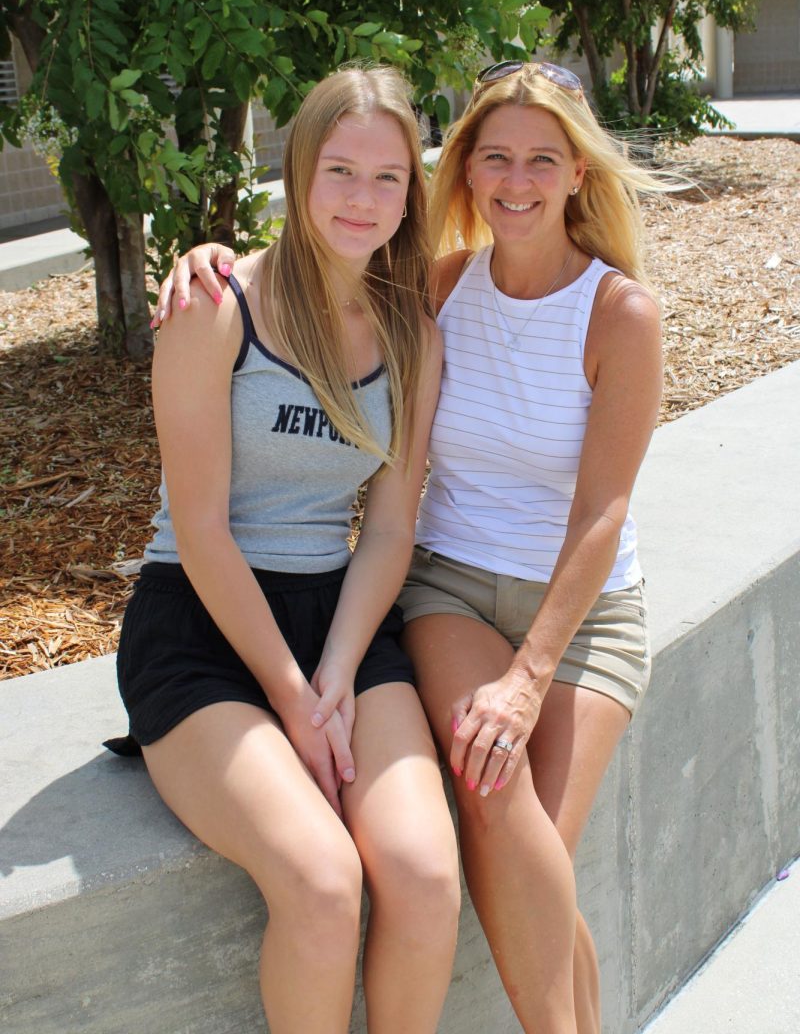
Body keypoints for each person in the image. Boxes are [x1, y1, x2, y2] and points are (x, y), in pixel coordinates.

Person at [158, 59, 667, 1034]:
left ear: (577, 174)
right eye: (494, 157)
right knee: (497, 808)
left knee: (528, 863)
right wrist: (208, 253)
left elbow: (601, 516)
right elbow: (308, 271)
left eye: (541, 159)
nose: (515, 180)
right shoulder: (434, 290)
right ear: (466, 170)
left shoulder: (617, 315)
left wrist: (529, 677)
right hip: (449, 594)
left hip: (582, 610)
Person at [109, 65, 460, 1034]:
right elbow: (204, 525)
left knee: (426, 876)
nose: (362, 199)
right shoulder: (218, 303)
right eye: (339, 170)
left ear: (411, 192)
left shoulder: (412, 336)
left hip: (337, 619)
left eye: (387, 178)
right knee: (319, 878)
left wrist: (337, 675)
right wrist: (294, 698)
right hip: (204, 625)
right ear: (298, 169)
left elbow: (388, 528)